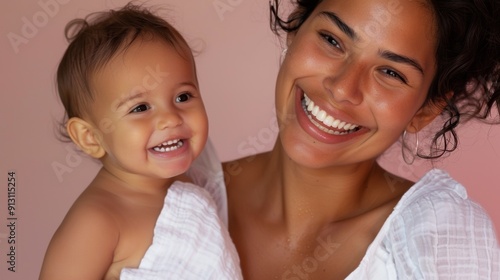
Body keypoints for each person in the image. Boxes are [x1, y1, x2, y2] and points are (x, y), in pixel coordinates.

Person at [224, 0, 500, 279]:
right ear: (295, 29)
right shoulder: (185, 190)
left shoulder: (438, 241)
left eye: (391, 72)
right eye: (332, 40)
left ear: (427, 109)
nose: (343, 89)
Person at [40, 4, 241, 280]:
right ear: (90, 137)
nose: (170, 118)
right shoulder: (97, 221)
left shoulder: (192, 187)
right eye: (140, 108)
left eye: (183, 97)